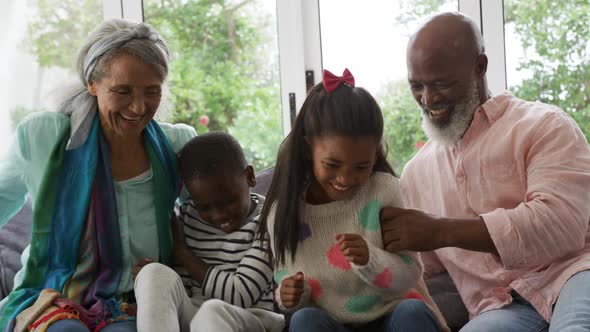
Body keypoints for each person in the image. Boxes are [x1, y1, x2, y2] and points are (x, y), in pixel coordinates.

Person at [380, 12, 590, 332]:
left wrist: (441, 230)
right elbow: (420, 272)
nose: (428, 98)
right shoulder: (416, 174)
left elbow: (561, 225)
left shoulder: (544, 125)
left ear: (480, 67)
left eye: (442, 83)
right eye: (417, 86)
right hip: (497, 307)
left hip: (573, 275)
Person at [0, 19, 196, 332]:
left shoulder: (177, 145)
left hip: (138, 299)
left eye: (152, 91)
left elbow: (219, 215)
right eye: (123, 91)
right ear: (92, 83)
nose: (138, 106)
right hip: (53, 294)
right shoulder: (44, 137)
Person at [258, 68, 448, 332]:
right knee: (304, 321)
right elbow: (288, 288)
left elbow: (409, 275)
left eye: (361, 166)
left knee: (412, 311)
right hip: (330, 324)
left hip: (387, 318)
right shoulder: (283, 211)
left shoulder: (385, 191)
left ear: (376, 153)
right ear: (306, 148)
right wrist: (289, 295)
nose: (345, 178)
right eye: (332, 164)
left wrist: (369, 259)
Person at [133, 132, 284, 332]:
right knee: (152, 274)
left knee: (212, 311)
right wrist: (151, 290)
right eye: (205, 208)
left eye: (228, 201)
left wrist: (183, 254)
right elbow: (182, 283)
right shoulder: (188, 215)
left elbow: (241, 295)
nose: (219, 215)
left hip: (249, 320)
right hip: (196, 317)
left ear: (250, 176)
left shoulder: (269, 221)